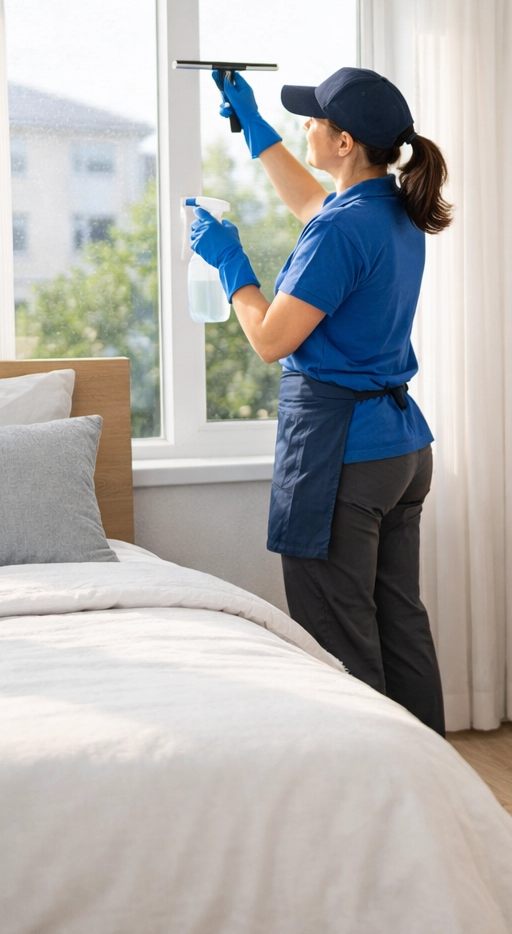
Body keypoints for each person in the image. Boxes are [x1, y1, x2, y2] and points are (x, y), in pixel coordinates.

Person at [188, 67, 451, 736]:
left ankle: (367, 779)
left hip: (342, 454)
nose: (304, 126)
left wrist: (230, 264)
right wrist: (255, 128)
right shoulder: (393, 209)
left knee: (339, 634)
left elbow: (271, 340)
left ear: (343, 142)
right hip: (399, 450)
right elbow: (310, 200)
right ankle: (430, 774)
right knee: (400, 622)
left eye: (313, 120)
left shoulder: (341, 230)